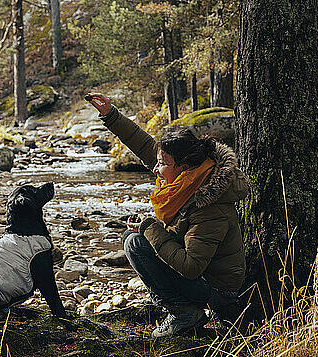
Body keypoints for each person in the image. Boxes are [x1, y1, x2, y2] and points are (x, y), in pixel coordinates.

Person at [87, 93, 249, 338]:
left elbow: (192, 267)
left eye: (162, 164)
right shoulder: (192, 176)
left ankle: (184, 313)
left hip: (218, 292)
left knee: (136, 242)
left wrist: (151, 228)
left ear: (182, 168)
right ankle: (183, 308)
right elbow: (146, 148)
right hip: (202, 277)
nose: (155, 169)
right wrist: (111, 115)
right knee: (133, 237)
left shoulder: (209, 206)